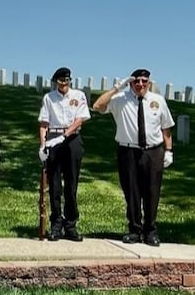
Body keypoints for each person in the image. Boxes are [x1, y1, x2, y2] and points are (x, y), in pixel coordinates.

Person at [93, 68, 174, 247]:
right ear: (130, 83)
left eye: (144, 81)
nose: (140, 85)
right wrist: (116, 87)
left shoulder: (158, 101)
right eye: (136, 81)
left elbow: (166, 128)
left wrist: (169, 151)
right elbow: (97, 106)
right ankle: (135, 230)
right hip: (128, 152)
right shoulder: (120, 100)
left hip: (153, 152)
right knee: (132, 192)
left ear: (149, 83)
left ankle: (150, 231)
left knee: (152, 192)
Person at [37, 67, 91, 241]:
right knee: (54, 185)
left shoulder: (78, 96)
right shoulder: (49, 98)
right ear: (55, 82)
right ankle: (56, 224)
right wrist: (43, 145)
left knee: (71, 184)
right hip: (53, 136)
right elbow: (44, 122)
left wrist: (65, 135)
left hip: (72, 138)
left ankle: (71, 225)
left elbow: (80, 119)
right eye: (60, 81)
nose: (64, 83)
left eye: (66, 80)